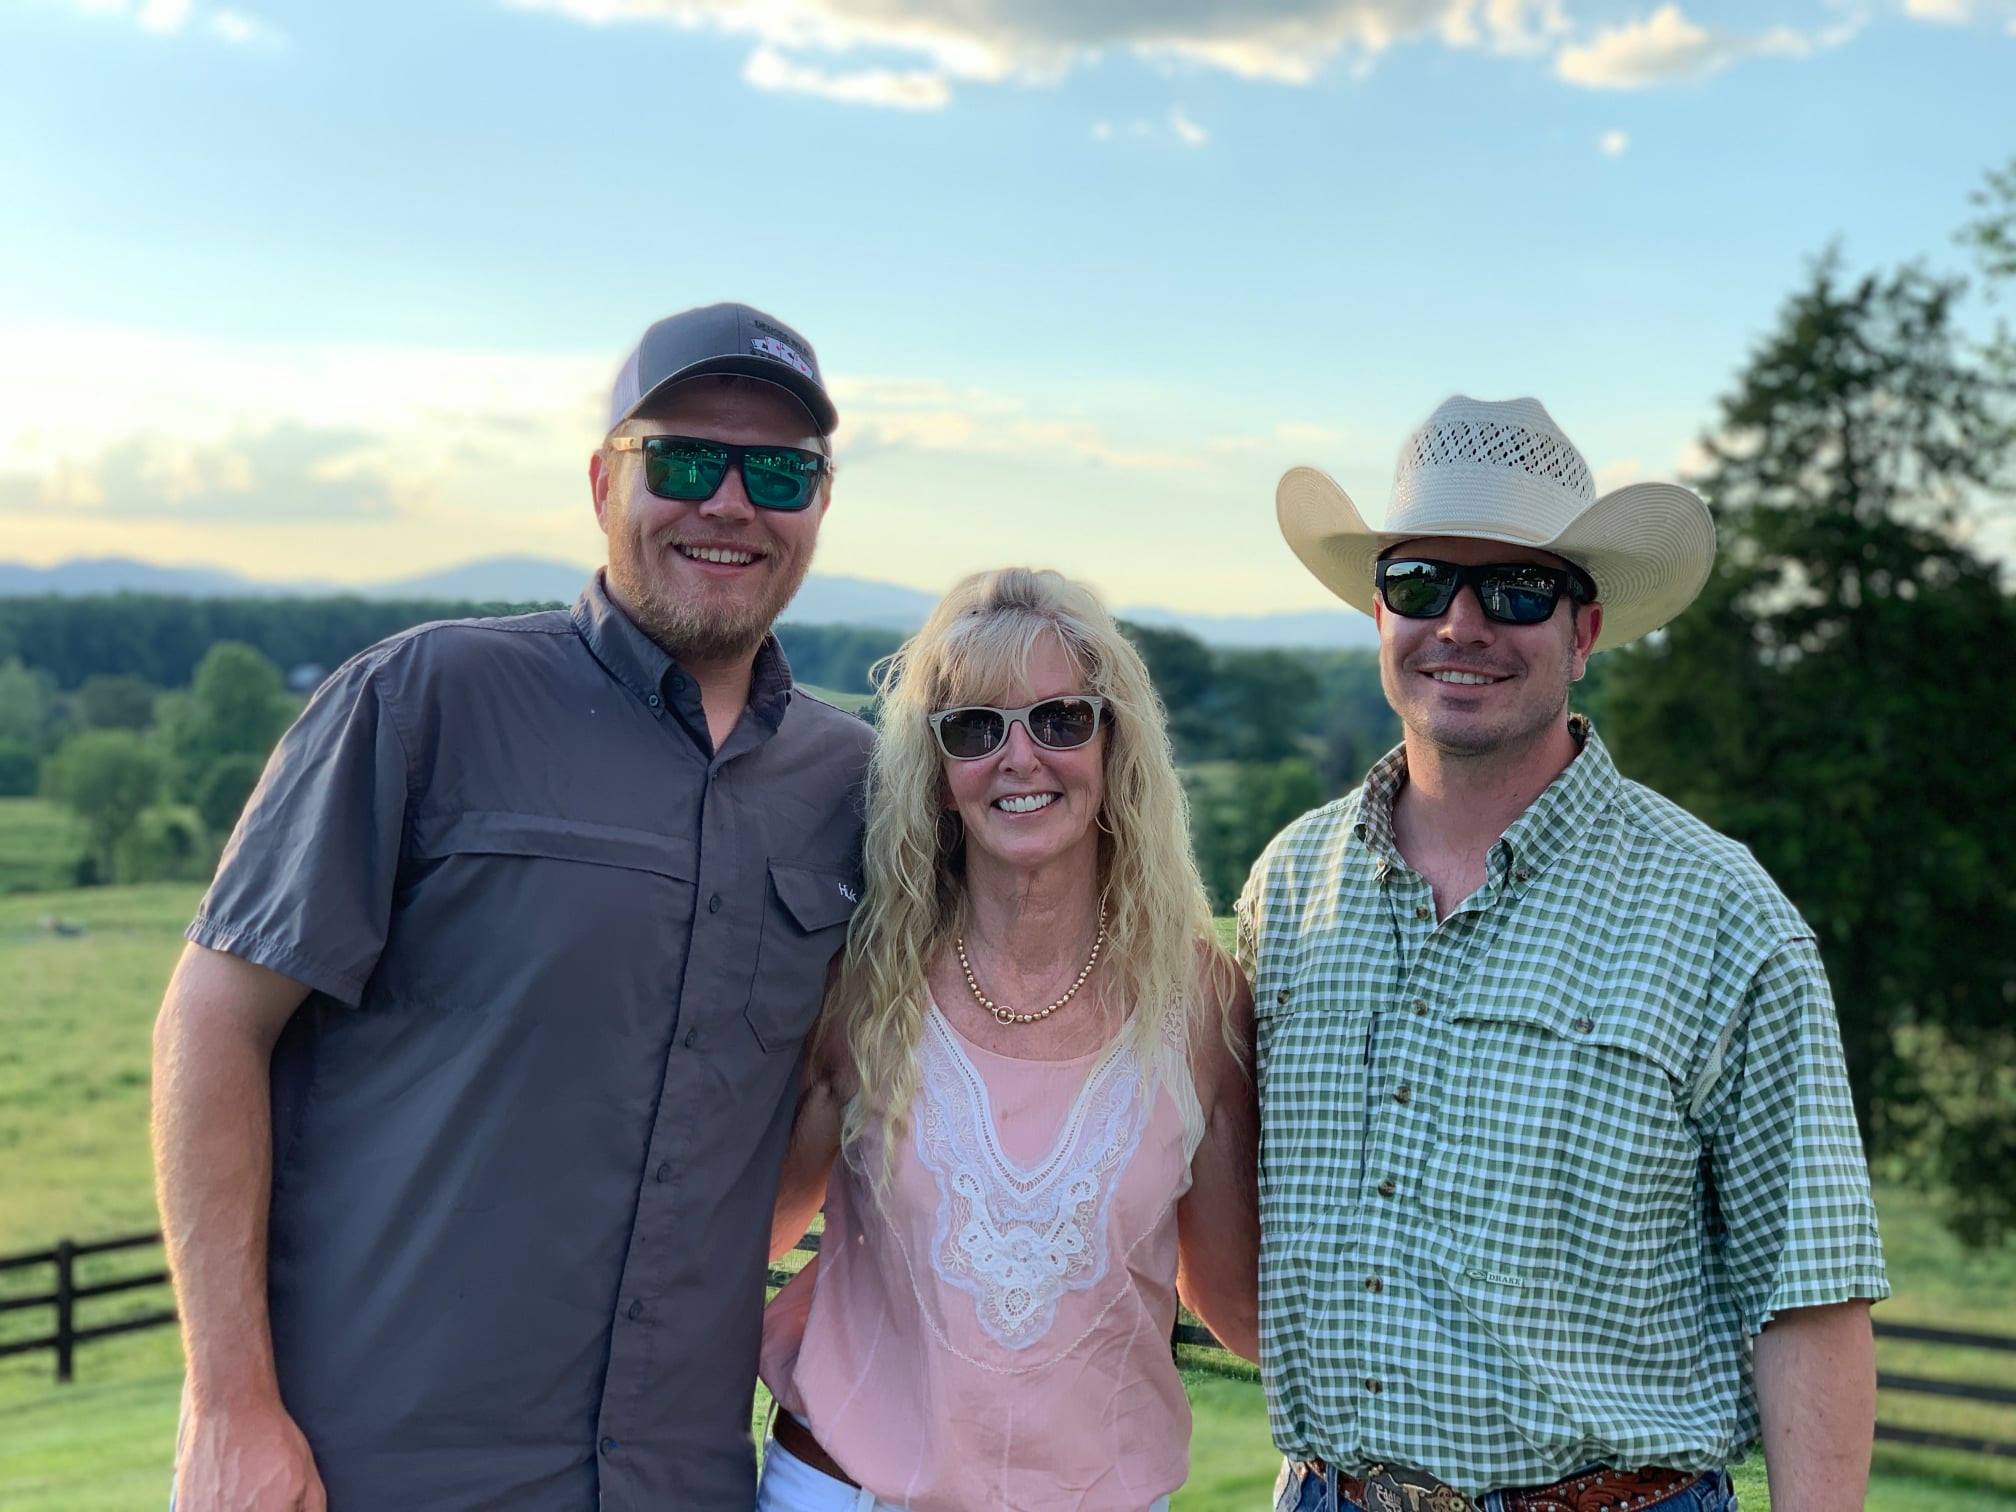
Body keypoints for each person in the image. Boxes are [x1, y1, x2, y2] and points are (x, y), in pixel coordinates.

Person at [152, 302, 873, 1511]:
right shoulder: (424, 700)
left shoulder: (851, 784)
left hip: (675, 1480)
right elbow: (211, 1026)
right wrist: (228, 1406)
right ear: (604, 481)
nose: (732, 503)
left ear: (821, 503)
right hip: (373, 1467)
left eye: (783, 472)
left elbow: (807, 1106)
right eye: (686, 459)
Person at [1245, 396, 1890, 1512]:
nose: (1461, 623)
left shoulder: (1722, 913)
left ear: (1583, 634)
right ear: (1376, 611)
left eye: (1516, 590)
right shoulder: (1288, 887)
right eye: (1418, 582)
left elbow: (1812, 1297)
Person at [757, 567, 1260, 1512]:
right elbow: (749, 1235)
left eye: (1061, 720)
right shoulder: (863, 982)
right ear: (938, 777)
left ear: (1116, 749)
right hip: (843, 1492)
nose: (1019, 758)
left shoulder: (1199, 1003)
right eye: (975, 730)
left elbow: (1236, 1306)